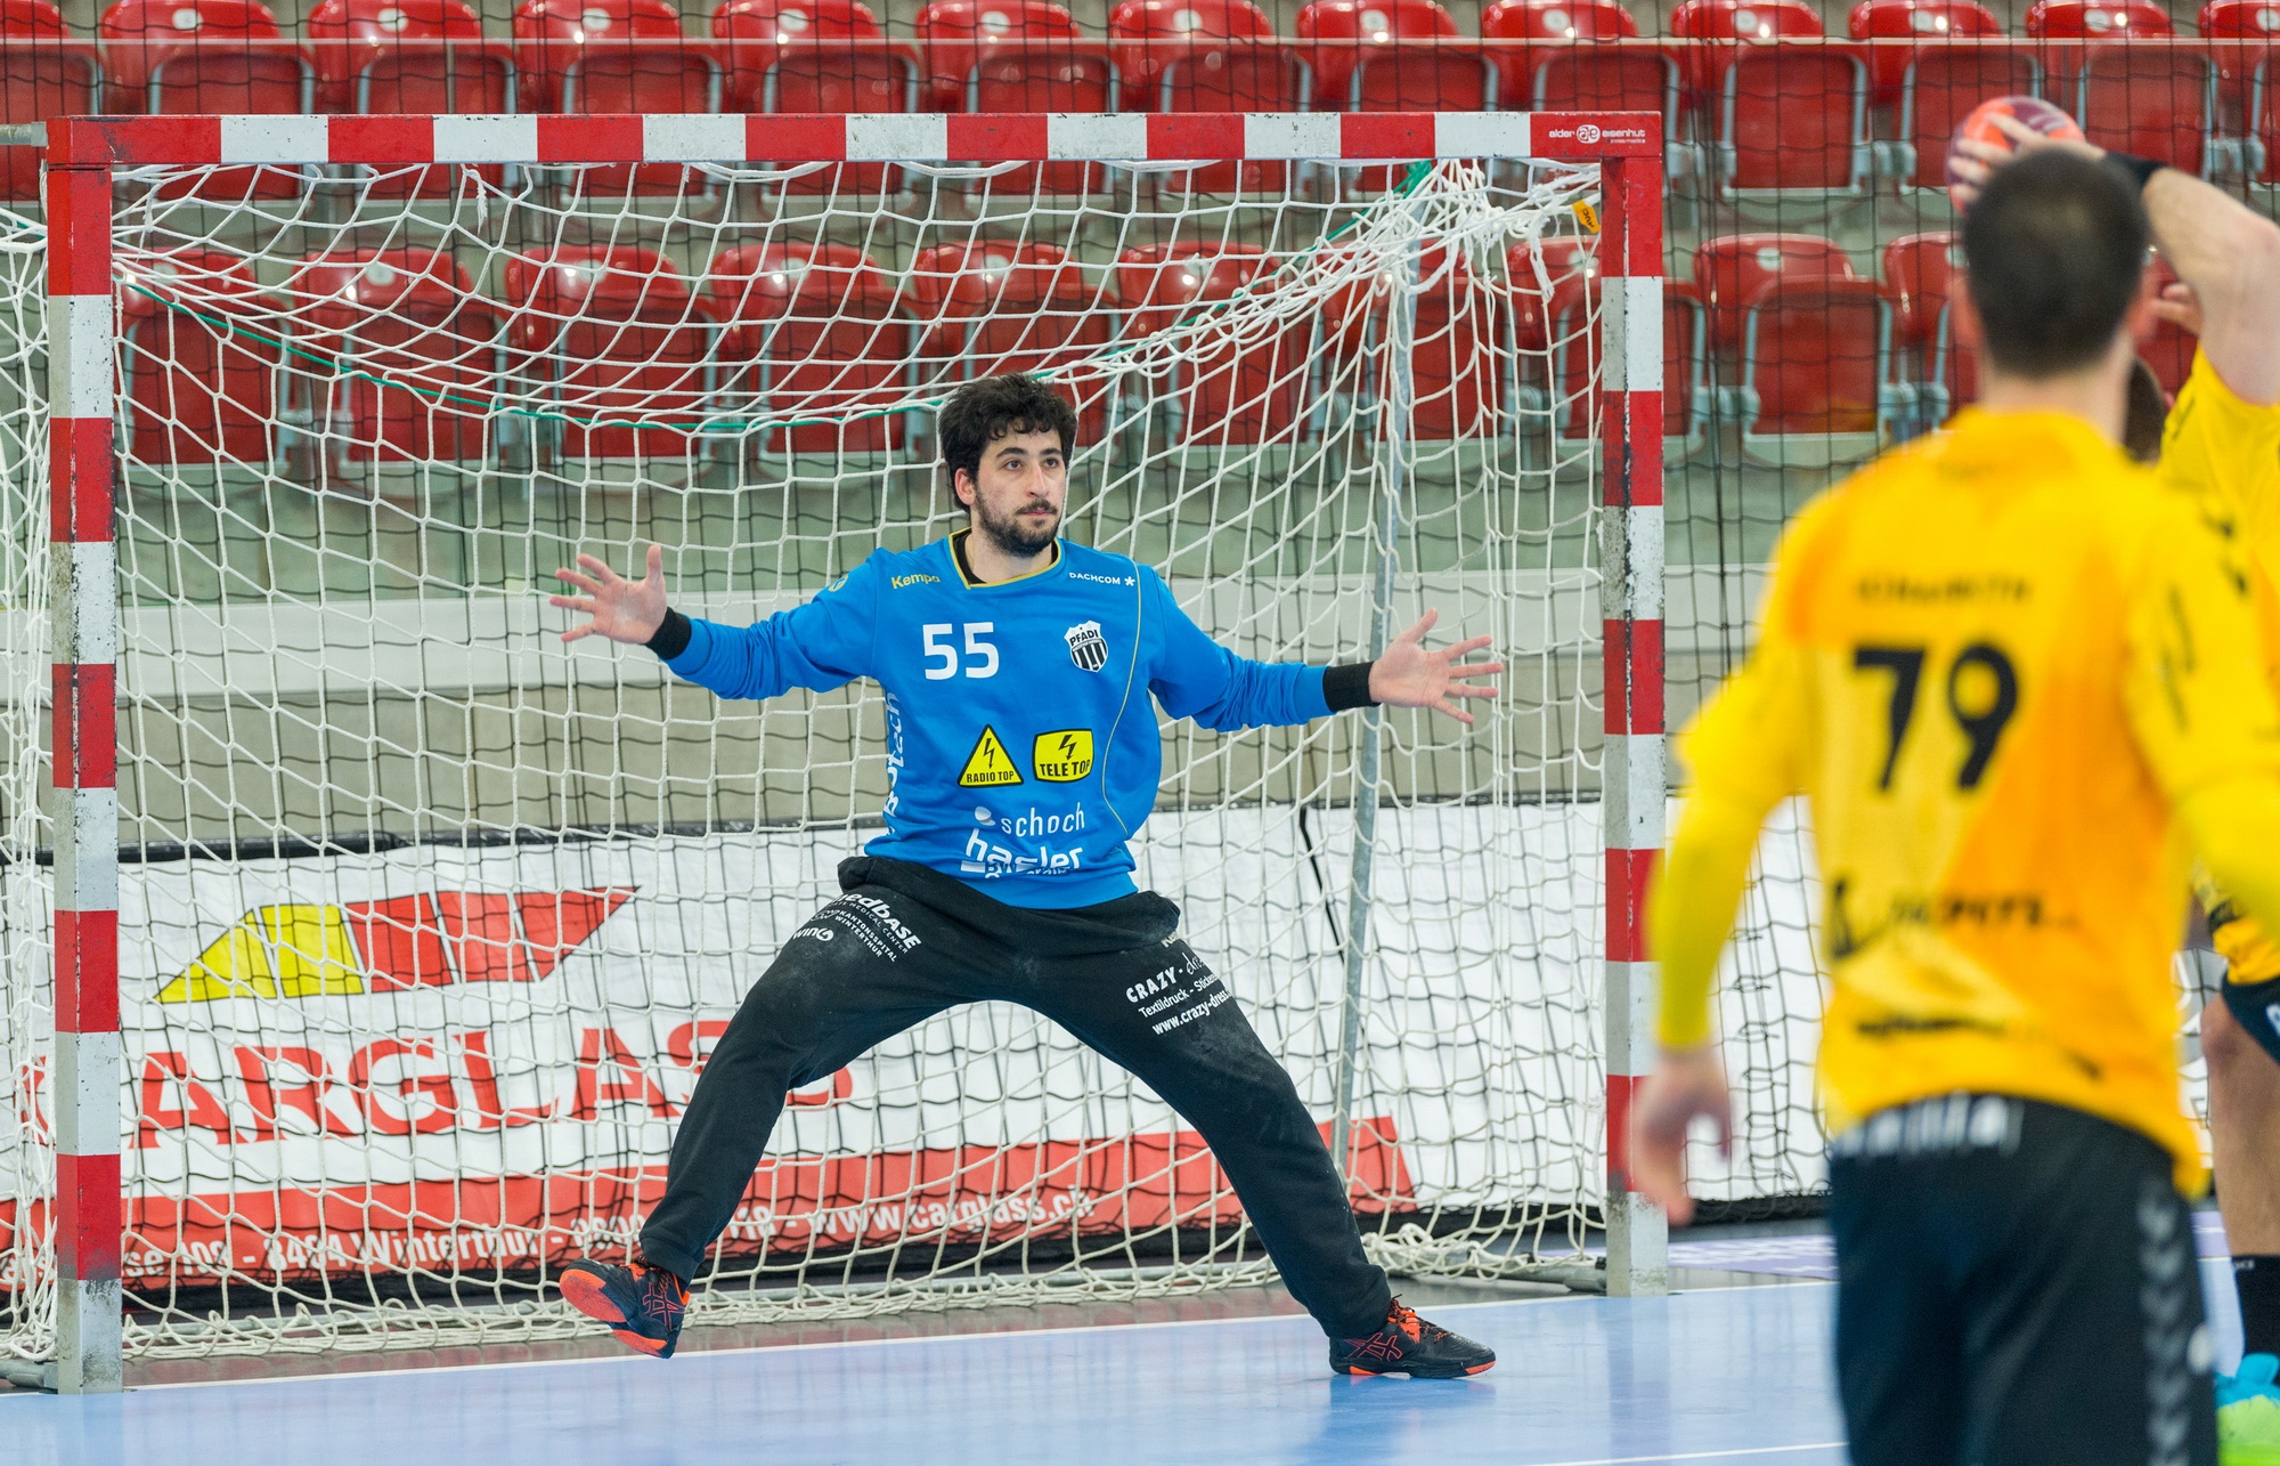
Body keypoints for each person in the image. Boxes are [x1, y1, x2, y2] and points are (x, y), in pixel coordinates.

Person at [542, 372, 1503, 1377]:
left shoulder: (1123, 595)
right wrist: (663, 629)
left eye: (1051, 461)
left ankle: (1364, 1326)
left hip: (1093, 915)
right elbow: (761, 660)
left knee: (1256, 1098)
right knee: (770, 1026)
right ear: (965, 484)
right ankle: (660, 1280)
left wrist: (1364, 683)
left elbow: (1227, 691)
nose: (1039, 483)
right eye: (1013, 463)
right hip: (927, 902)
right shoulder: (895, 592)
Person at [1631, 148, 2280, 1466]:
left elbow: (1711, 824)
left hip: (1884, 1137)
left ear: (1964, 315)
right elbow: (2245, 832)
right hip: (2080, 1131)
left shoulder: (1846, 532)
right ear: (2139, 316)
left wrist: (1684, 1045)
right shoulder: (2155, 540)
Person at [1955, 120, 2280, 1465]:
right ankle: (2266, 1356)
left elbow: (2257, 265)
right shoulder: (2162, 466)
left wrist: (2109, 175)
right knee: (2232, 1045)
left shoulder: (2248, 400)